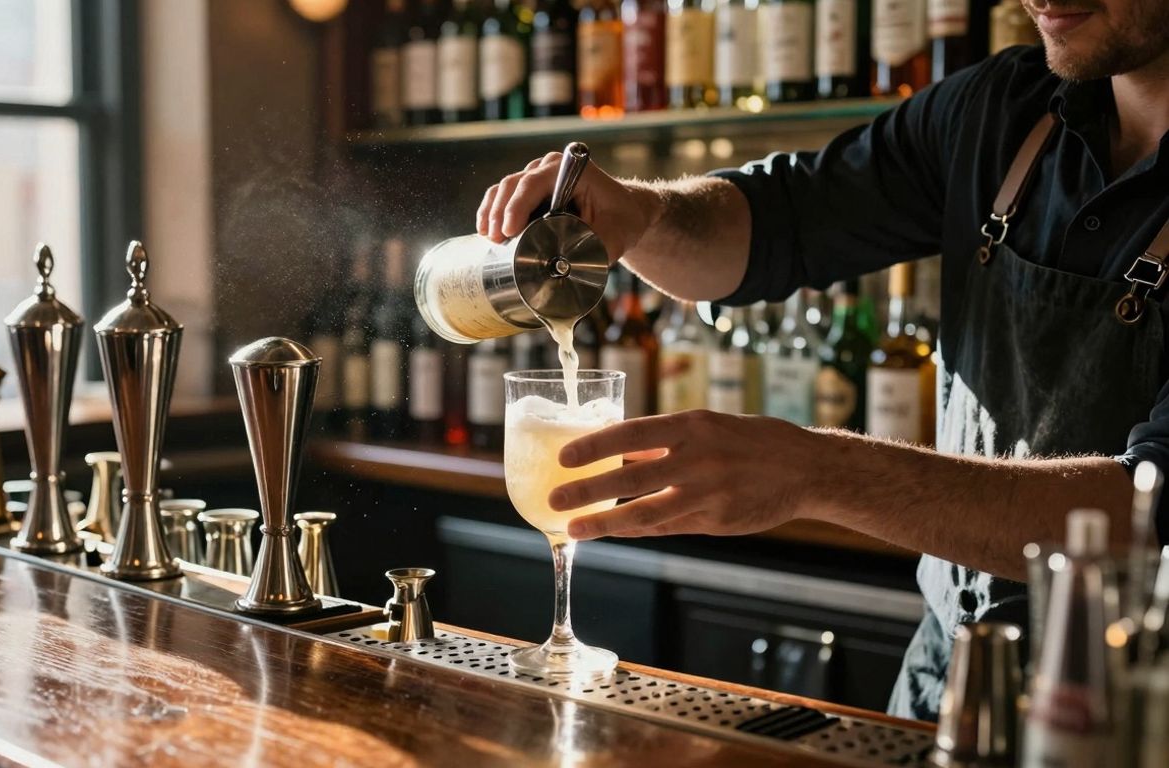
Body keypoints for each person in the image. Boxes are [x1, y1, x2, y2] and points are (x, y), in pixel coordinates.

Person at [475, 0, 1169, 720]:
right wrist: (638, 214)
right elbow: (779, 218)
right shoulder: (1003, 109)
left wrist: (816, 471)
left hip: (1132, 713)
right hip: (949, 687)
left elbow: (1147, 518)